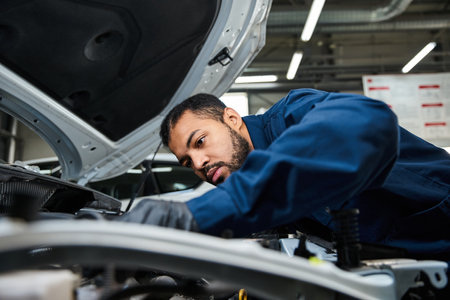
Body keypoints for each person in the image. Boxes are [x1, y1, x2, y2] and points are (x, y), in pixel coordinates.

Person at [120, 88, 450, 263]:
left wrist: (194, 215)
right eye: (188, 162)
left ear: (232, 119)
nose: (200, 163)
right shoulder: (252, 188)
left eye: (200, 142)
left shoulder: (295, 115)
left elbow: (366, 118)